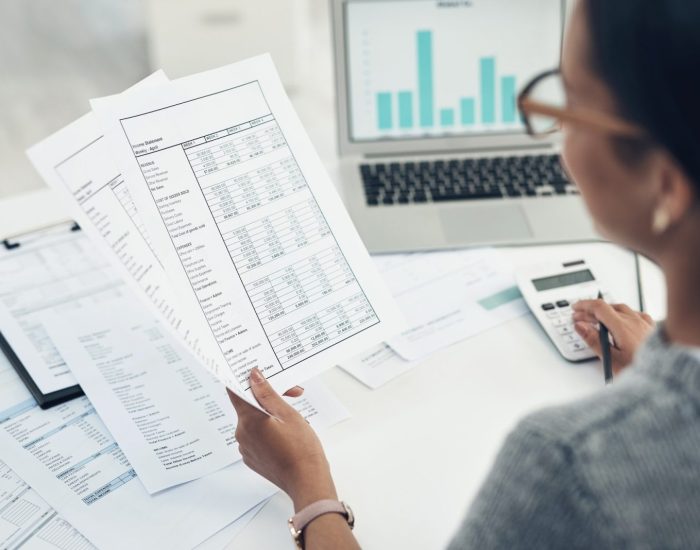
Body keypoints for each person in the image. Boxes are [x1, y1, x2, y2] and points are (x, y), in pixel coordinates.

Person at [228, 0, 700, 547]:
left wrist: (308, 486)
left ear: (666, 185)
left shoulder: (573, 463)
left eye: (570, 105)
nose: (556, 145)